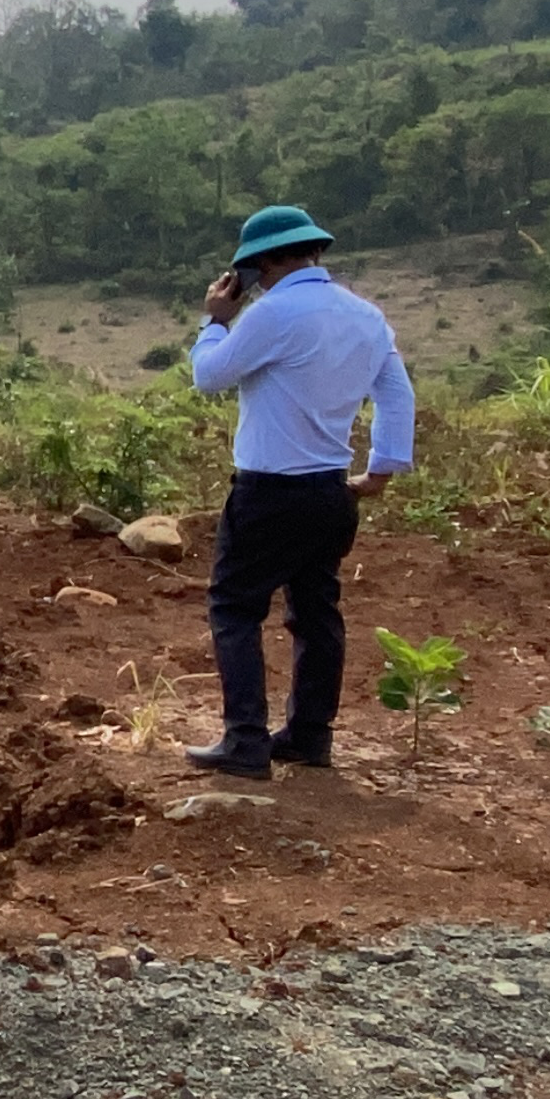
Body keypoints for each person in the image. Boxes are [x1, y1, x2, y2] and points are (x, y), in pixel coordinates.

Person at [176, 205, 416, 780]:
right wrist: (380, 469)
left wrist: (216, 319)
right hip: (331, 491)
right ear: (314, 251)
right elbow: (396, 394)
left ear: (256, 267)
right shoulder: (366, 316)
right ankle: (310, 736)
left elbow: (209, 376)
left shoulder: (271, 314)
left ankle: (245, 740)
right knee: (316, 612)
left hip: (267, 492)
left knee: (234, 608)